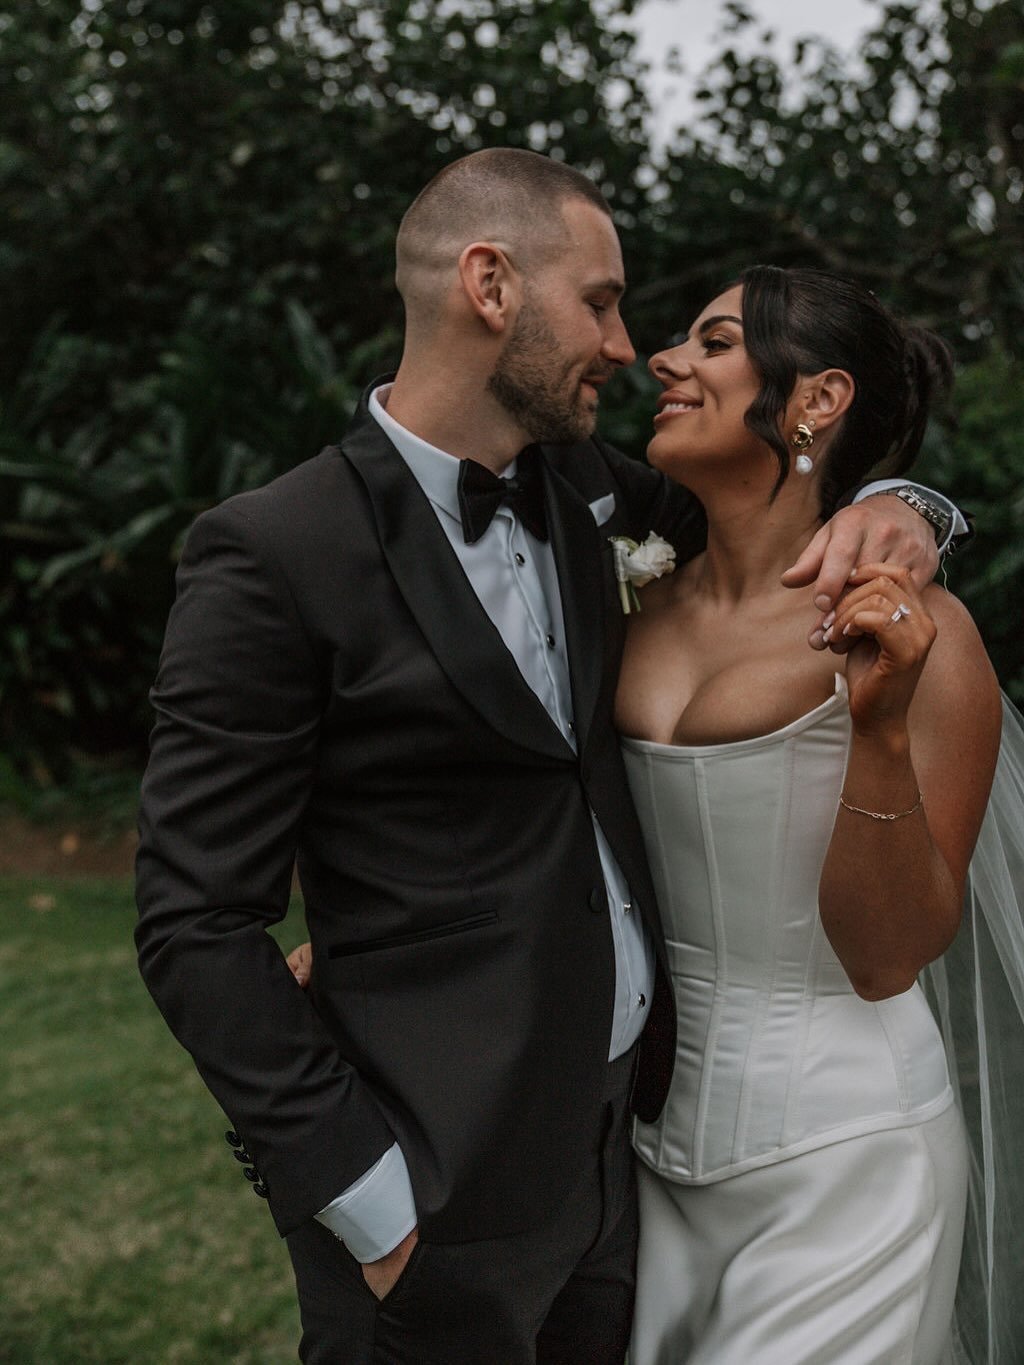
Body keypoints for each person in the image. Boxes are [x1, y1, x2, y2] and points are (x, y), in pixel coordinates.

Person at [134, 151, 959, 1364]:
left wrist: (908, 504)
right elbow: (191, 922)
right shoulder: (273, 552)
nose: (627, 349)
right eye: (603, 301)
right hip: (429, 1200)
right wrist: (368, 1204)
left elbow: (777, 512)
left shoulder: (589, 492)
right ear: (490, 285)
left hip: (625, 1176)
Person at [616, 265, 1002, 1363]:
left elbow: (888, 959)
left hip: (847, 1158)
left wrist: (876, 731)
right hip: (647, 1163)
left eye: (714, 341)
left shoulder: (925, 635)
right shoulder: (631, 595)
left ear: (815, 400)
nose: (664, 359)